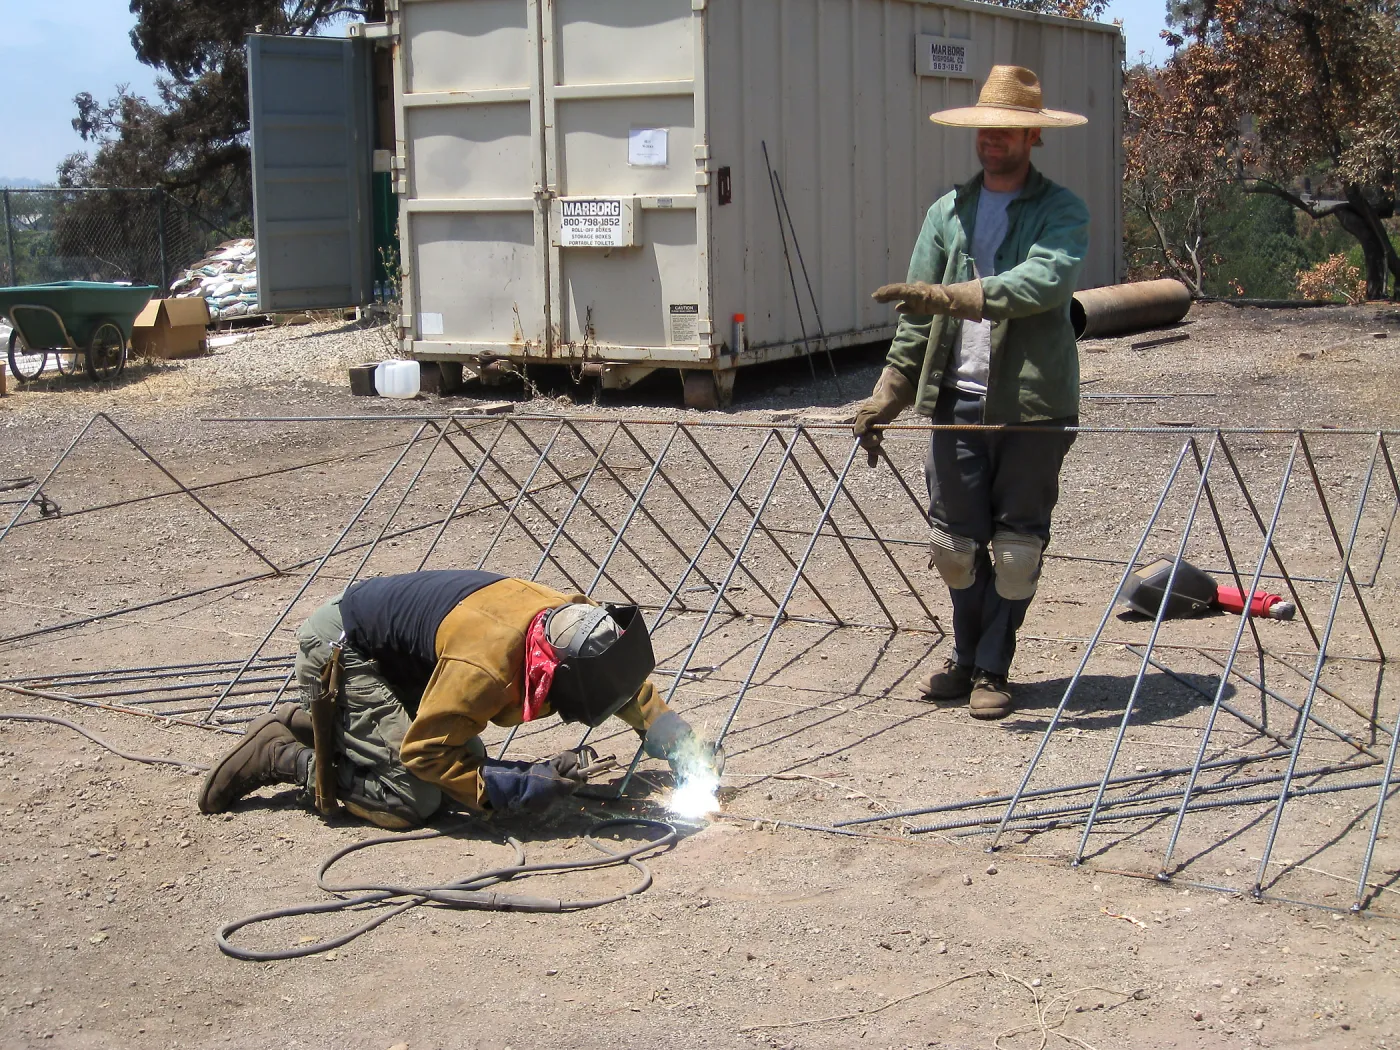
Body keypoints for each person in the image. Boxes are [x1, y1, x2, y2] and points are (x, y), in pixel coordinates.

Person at [853, 65, 1089, 721]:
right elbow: (916, 314)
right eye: (988, 127)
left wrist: (954, 296)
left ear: (1033, 136)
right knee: (954, 547)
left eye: (1009, 130)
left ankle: (993, 666)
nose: (995, 139)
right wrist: (888, 394)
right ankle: (963, 656)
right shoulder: (947, 212)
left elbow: (1041, 283)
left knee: (1015, 550)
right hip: (956, 401)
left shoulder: (1061, 212)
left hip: (1034, 406)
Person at [198, 570, 719, 828]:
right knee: (415, 799)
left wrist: (679, 741)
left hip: (407, 657)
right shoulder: (486, 670)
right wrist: (518, 786)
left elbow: (616, 678)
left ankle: (335, 728)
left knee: (464, 773)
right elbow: (425, 753)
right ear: (554, 672)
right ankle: (284, 756)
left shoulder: (568, 618)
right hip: (343, 649)